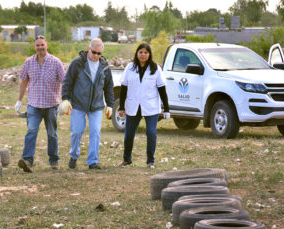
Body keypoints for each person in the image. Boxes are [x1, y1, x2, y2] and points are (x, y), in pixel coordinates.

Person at [61, 38, 114, 169]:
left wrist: (110, 104)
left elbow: (108, 86)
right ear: (89, 49)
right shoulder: (77, 63)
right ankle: (74, 155)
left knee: (95, 132)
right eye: (94, 52)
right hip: (78, 104)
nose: (96, 56)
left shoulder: (105, 66)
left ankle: (93, 161)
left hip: (96, 106)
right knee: (77, 132)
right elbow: (67, 81)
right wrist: (65, 99)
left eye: (99, 53)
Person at [15, 35, 66, 172]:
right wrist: (19, 100)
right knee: (31, 131)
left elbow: (64, 81)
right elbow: (24, 82)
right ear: (34, 47)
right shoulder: (28, 62)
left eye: (42, 45)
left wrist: (65, 100)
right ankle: (27, 161)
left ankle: (54, 160)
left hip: (51, 105)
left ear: (47, 46)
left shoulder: (56, 62)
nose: (40, 47)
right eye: (38, 45)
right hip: (34, 105)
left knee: (52, 134)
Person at [118, 43, 170, 169]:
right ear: (137, 53)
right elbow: (123, 88)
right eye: (140, 52)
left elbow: (162, 89)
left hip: (150, 106)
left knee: (151, 133)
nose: (143, 55)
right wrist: (121, 107)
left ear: (149, 54)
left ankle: (150, 161)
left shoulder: (156, 68)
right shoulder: (130, 68)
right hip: (133, 105)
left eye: (146, 52)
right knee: (129, 134)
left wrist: (166, 109)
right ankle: (127, 159)